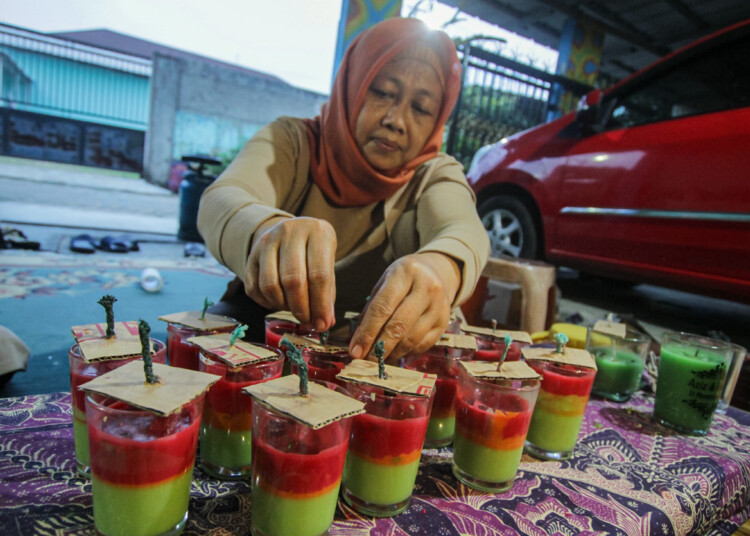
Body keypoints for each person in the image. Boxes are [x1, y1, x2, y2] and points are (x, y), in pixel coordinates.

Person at [198, 17, 489, 362]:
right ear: (353, 84)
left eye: (421, 108)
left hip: (381, 359)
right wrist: (267, 230)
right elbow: (221, 199)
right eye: (382, 92)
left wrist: (442, 266)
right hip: (268, 343)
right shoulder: (292, 143)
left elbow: (462, 228)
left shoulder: (433, 174)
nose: (396, 120)